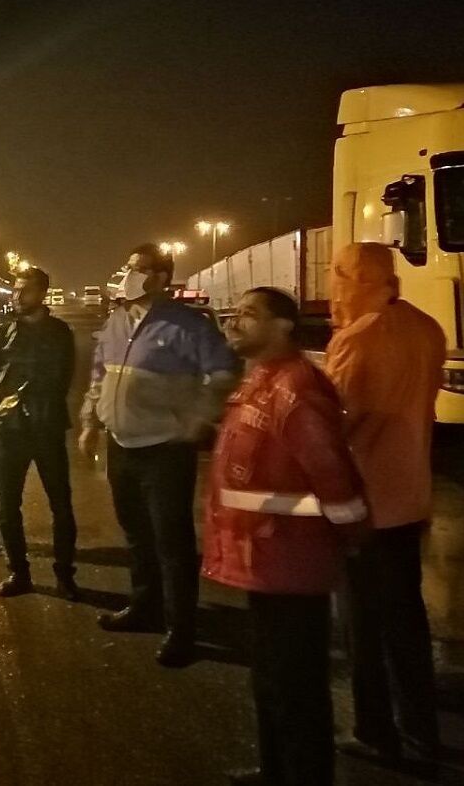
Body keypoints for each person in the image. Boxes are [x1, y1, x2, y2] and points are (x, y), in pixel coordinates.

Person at [203, 287, 368, 786]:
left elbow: (333, 476)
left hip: (293, 561)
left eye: (249, 315)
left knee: (296, 686)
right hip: (265, 560)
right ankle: (277, 770)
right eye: (235, 313)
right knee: (272, 679)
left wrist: (354, 540)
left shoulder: (296, 389)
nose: (235, 322)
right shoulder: (261, 382)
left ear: (284, 327)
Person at [78, 244, 238, 667]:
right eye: (128, 267)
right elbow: (99, 374)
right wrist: (91, 421)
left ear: (162, 277)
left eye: (140, 269)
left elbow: (223, 374)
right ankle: (144, 607)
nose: (130, 275)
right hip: (122, 445)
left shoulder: (188, 324)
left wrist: (200, 418)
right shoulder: (115, 321)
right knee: (135, 533)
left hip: (165, 448)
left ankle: (181, 628)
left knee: (173, 543)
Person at [324, 242, 447, 765]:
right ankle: (422, 734)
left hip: (366, 504)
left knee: (363, 627)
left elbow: (337, 420)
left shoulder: (357, 339)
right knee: (406, 622)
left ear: (354, 280)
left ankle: (376, 731)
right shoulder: (425, 328)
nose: (333, 289)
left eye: (338, 277)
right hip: (411, 498)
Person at [0, 266, 78, 600]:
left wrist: (43, 405)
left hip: (48, 426)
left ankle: (65, 575)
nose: (17, 296)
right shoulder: (2, 332)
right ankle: (18, 572)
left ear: (41, 293)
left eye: (25, 290)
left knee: (61, 504)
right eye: (15, 289)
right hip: (11, 429)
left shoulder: (59, 332)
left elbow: (66, 377)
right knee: (8, 503)